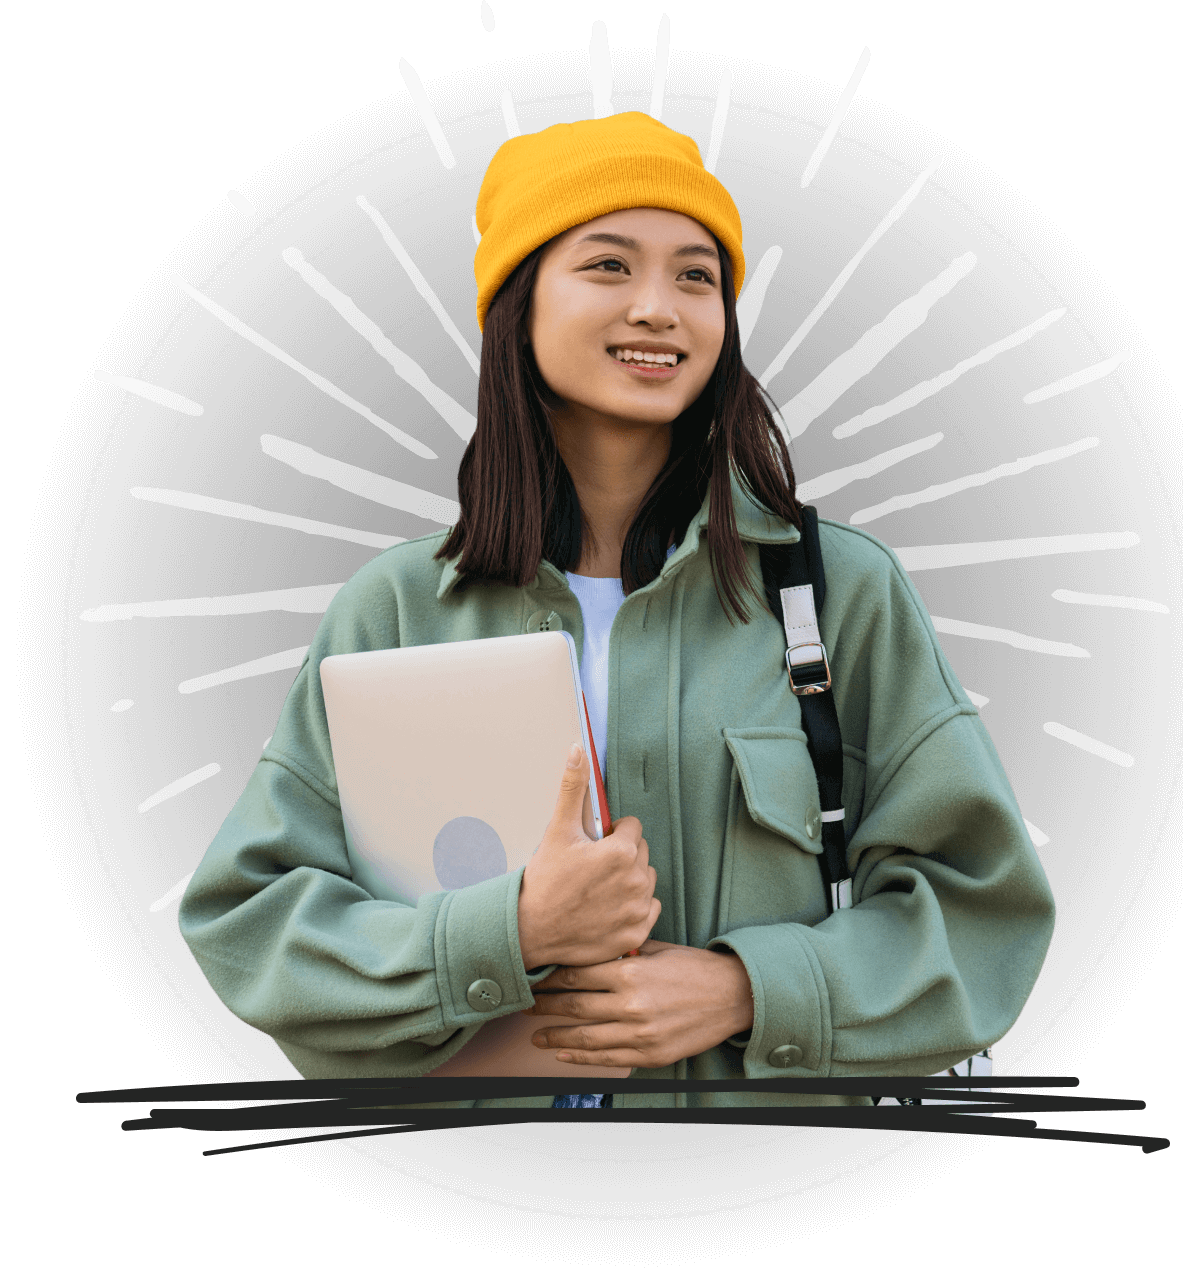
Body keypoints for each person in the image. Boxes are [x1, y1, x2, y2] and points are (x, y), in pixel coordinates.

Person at [178, 111, 1056, 1110]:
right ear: (517, 305)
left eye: (695, 276)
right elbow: (250, 923)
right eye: (606, 265)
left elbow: (986, 910)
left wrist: (747, 989)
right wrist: (506, 932)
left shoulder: (841, 593)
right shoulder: (394, 605)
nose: (659, 308)